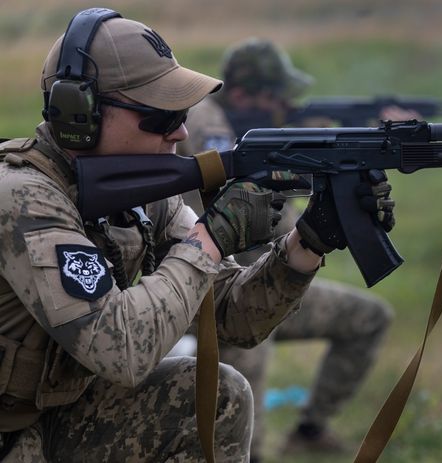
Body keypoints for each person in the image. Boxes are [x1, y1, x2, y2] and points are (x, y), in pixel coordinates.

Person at [0, 10, 395, 462]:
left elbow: (233, 315)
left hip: (50, 419)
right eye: (161, 118)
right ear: (80, 115)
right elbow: (122, 351)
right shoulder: (23, 199)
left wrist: (306, 245)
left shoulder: (145, 196)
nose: (182, 132)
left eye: (182, 115)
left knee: (217, 394)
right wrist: (209, 238)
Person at [177, 38, 407, 461]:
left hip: (263, 279)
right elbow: (247, 201)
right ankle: (249, 455)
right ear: (244, 96)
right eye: (276, 97)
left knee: (368, 318)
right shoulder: (206, 123)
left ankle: (310, 429)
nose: (285, 105)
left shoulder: (247, 129)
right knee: (249, 343)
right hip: (204, 287)